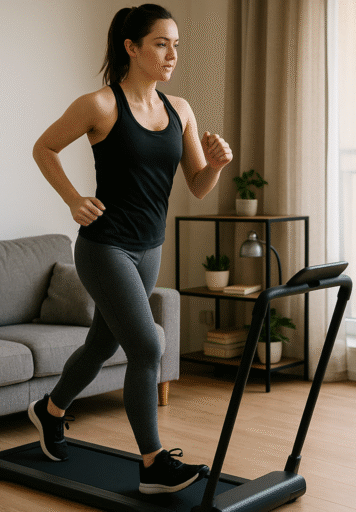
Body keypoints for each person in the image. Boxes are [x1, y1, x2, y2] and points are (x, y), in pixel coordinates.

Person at [28, 4, 233, 495]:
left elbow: (198, 184)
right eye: (161, 43)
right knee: (148, 345)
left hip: (148, 248)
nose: (172, 54)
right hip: (105, 248)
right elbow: (44, 147)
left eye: (176, 44)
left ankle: (49, 410)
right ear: (132, 47)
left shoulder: (179, 109)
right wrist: (74, 200)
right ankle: (152, 463)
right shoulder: (100, 105)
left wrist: (219, 163)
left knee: (103, 343)